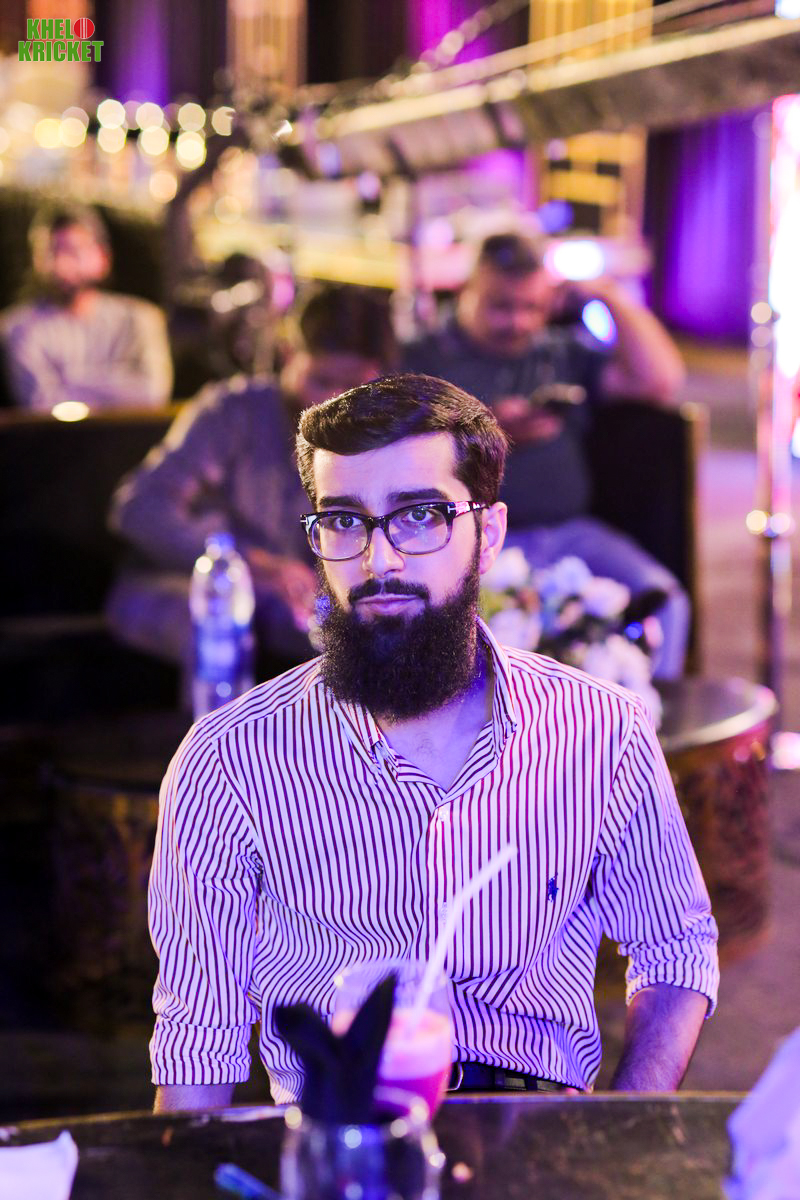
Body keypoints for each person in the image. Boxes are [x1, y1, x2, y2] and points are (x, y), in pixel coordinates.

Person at [149, 373, 718, 1113]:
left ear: (490, 535)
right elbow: (200, 1035)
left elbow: (675, 948)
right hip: (343, 1132)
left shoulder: (598, 729)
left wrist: (623, 1129)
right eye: (344, 520)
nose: (379, 561)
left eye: (419, 516)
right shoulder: (229, 759)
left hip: (534, 1122)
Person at [404, 232, 690, 678]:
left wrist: (605, 295)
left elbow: (661, 380)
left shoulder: (560, 352)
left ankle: (646, 719)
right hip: (477, 538)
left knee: (665, 600)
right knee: (509, 630)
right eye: (500, 306)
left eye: (531, 307)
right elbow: (400, 455)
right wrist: (485, 429)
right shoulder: (425, 356)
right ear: (465, 292)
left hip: (572, 533)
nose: (517, 322)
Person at [107, 283, 398, 672]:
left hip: (296, 604)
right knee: (220, 617)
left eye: (353, 387)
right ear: (289, 353)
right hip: (178, 584)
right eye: (321, 380)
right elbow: (139, 509)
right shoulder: (233, 411)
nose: (335, 400)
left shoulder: (380, 431)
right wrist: (253, 563)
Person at [0, 202, 172, 412]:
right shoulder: (18, 327)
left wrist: (68, 380)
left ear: (103, 256)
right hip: (55, 434)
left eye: (74, 250)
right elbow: (41, 402)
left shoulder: (140, 319)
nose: (62, 263)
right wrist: (117, 383)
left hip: (130, 433)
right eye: (52, 251)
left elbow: (152, 392)